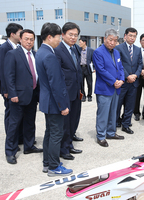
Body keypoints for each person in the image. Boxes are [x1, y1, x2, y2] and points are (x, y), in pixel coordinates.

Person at [35, 22, 72, 176]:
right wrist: (63, 106)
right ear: (49, 37)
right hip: (54, 103)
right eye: (58, 37)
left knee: (50, 133)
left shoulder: (40, 52)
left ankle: (47, 162)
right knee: (56, 134)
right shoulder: (49, 55)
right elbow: (56, 84)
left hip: (47, 101)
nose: (60, 40)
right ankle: (54, 167)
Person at [4, 29, 42, 164]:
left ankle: (29, 146)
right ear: (20, 39)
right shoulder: (13, 54)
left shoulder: (35, 55)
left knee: (30, 122)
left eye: (31, 39)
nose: (29, 42)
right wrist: (12, 93)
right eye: (26, 39)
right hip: (18, 96)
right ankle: (10, 151)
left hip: (32, 94)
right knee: (14, 124)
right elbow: (9, 76)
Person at [55, 22, 83, 160]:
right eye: (70, 34)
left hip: (76, 91)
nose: (73, 37)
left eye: (75, 35)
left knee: (74, 120)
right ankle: (63, 149)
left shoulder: (76, 49)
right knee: (65, 123)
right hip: (65, 92)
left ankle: (69, 144)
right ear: (63, 35)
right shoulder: (58, 50)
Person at [93, 28, 125, 147]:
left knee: (113, 112)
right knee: (103, 113)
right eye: (110, 40)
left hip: (116, 88)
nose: (112, 42)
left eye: (115, 40)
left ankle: (111, 132)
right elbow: (101, 70)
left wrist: (121, 80)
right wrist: (113, 81)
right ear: (105, 38)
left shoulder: (116, 52)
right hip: (104, 88)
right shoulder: (98, 52)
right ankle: (101, 136)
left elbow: (120, 67)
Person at [0, 23, 23, 143]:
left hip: (18, 87)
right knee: (11, 115)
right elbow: (2, 71)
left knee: (19, 115)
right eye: (20, 33)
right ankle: (11, 140)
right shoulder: (4, 48)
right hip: (9, 89)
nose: (22, 35)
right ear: (12, 34)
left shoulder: (18, 47)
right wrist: (6, 90)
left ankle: (20, 137)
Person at [115, 27, 143, 134]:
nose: (132, 38)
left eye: (134, 36)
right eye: (130, 35)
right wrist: (127, 76)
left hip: (134, 82)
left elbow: (140, 64)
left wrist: (135, 75)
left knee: (130, 105)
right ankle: (115, 122)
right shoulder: (119, 48)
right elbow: (119, 64)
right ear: (125, 36)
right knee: (118, 104)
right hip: (123, 82)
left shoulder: (137, 49)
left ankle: (126, 125)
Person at [78, 37, 95, 102]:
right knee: (81, 83)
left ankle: (89, 95)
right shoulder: (78, 49)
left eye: (80, 42)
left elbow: (93, 60)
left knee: (89, 83)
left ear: (84, 42)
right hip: (80, 68)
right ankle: (83, 96)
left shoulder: (90, 50)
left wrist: (94, 68)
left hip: (87, 68)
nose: (79, 43)